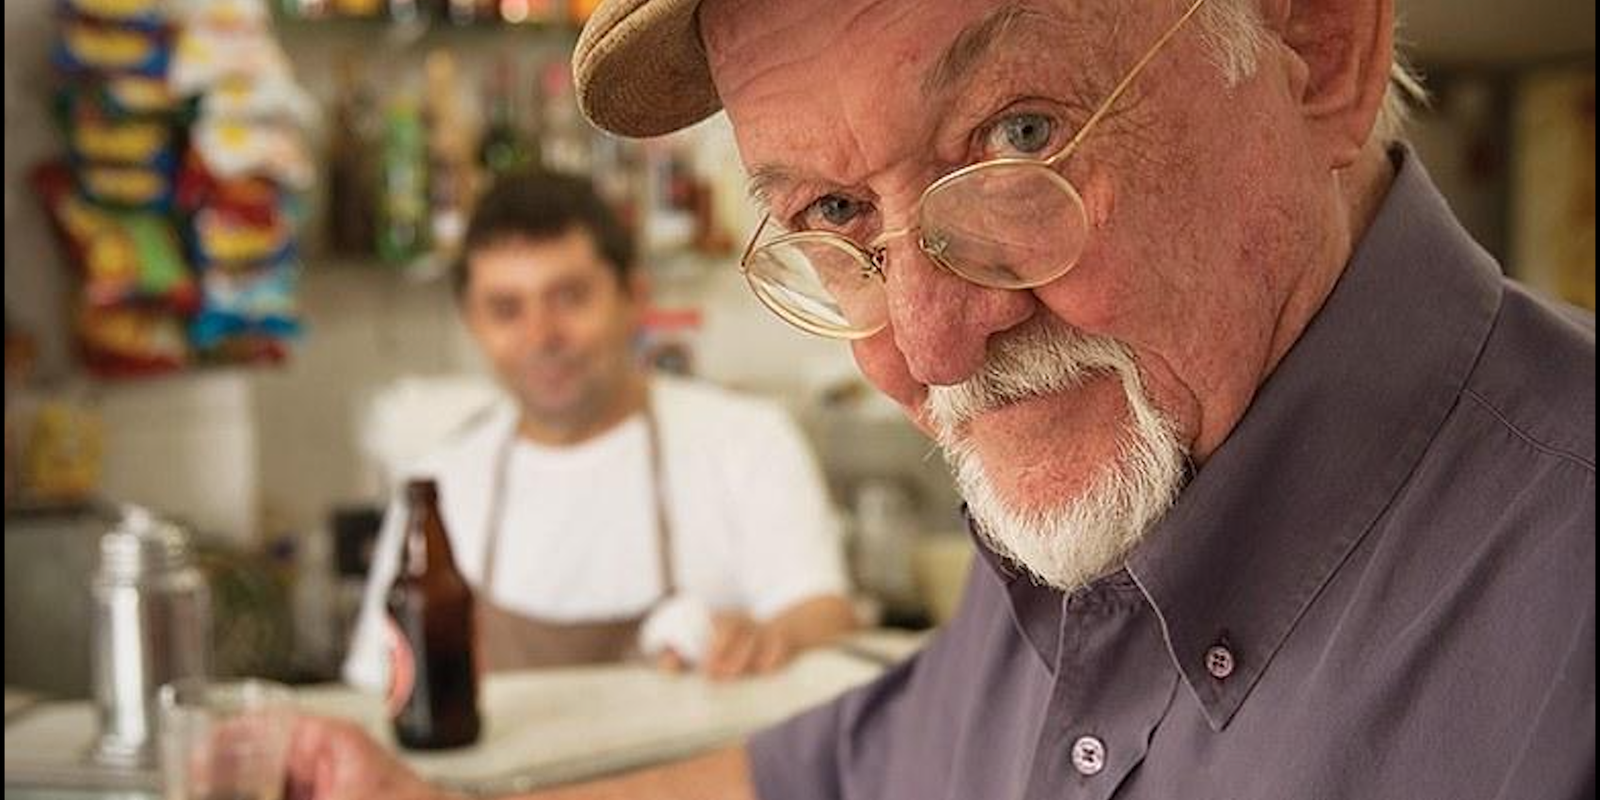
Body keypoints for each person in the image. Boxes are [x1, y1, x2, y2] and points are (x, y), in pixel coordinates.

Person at [292, 0, 1595, 798]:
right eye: (836, 213)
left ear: (1314, 37)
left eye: (1017, 135)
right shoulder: (1103, 505)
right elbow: (840, 777)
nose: (930, 342)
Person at [343, 171, 857, 688]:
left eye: (569, 297)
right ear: (471, 321)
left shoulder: (747, 441)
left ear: (633, 296)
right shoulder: (440, 480)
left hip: (701, 768)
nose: (541, 336)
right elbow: (380, 680)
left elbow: (824, 615)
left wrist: (771, 637)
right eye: (505, 310)